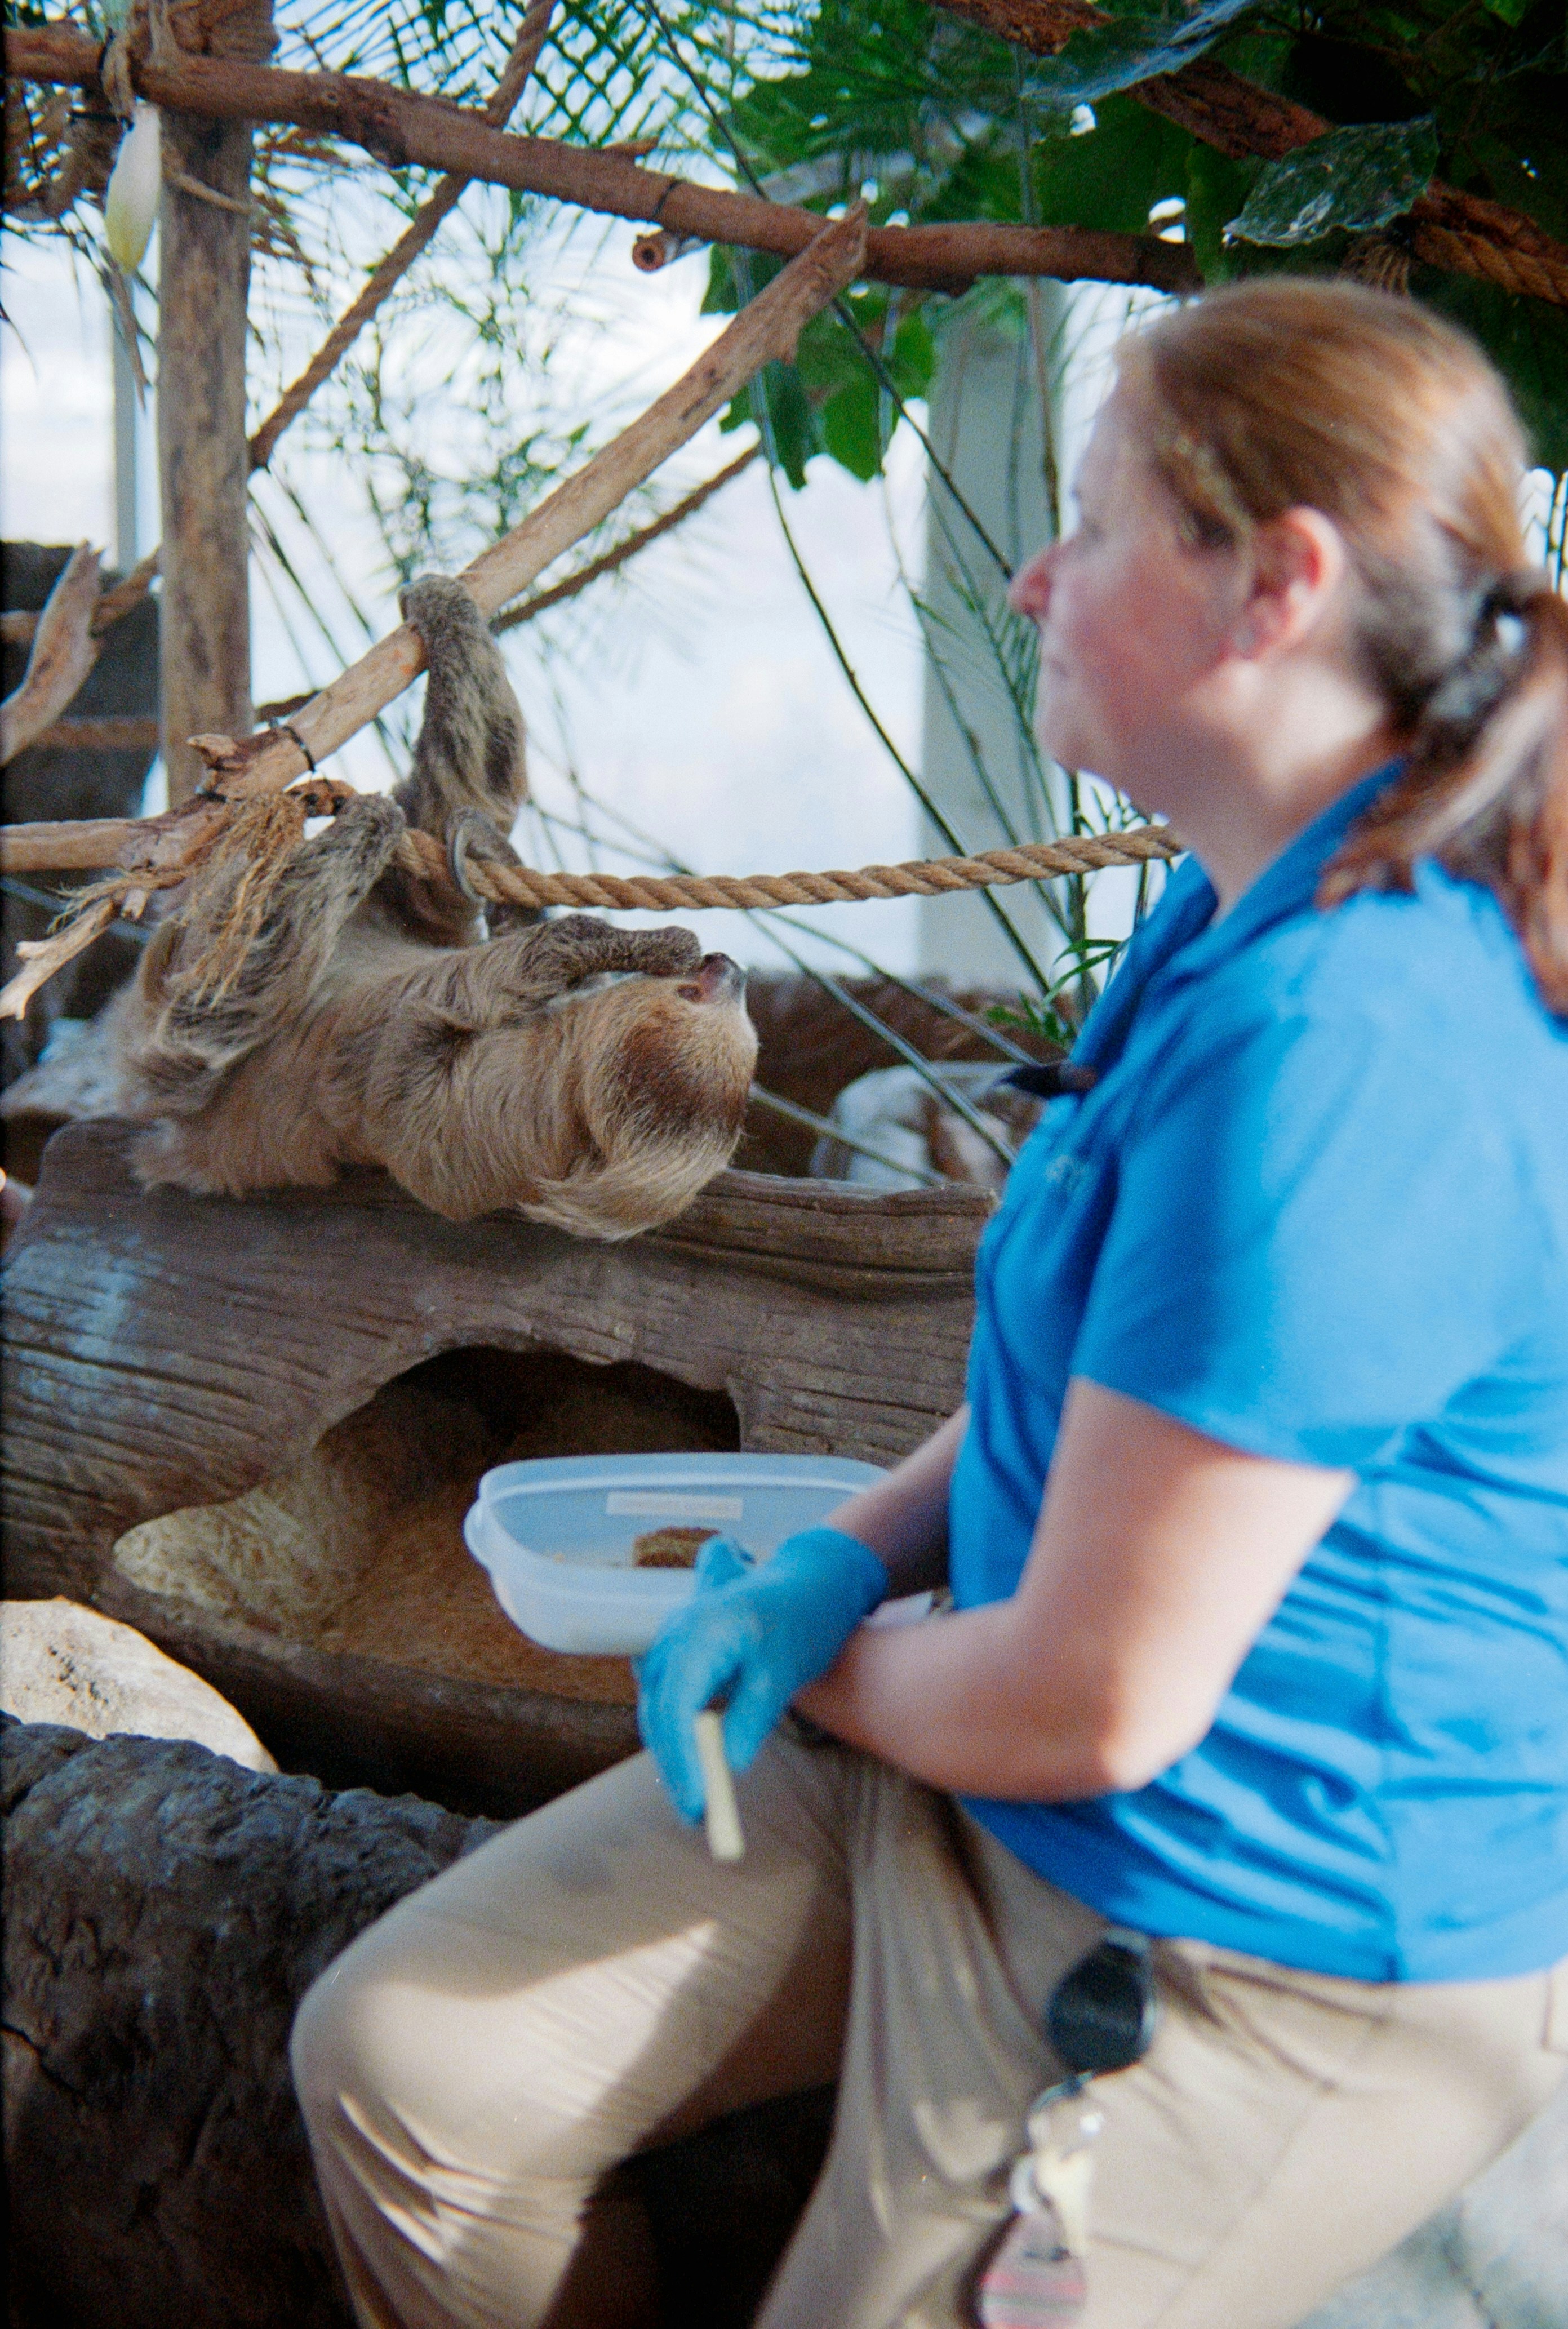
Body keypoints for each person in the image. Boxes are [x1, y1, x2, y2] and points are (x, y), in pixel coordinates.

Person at [290, 277, 1568, 2329]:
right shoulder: (1230, 893)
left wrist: (815, 1649)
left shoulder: (1360, 1044)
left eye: (1090, 521)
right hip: (992, 1738)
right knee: (405, 2068)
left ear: (1277, 588)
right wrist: (841, 1560)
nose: (1036, 575)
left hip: (1251, 1918)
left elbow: (1098, 1698)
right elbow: (1106, 1392)